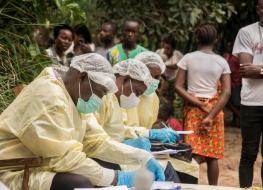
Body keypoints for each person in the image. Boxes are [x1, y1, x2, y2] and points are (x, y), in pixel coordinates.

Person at [0, 53, 164, 189]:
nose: (98, 100)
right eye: (99, 93)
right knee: (80, 183)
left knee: (87, 178)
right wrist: (116, 178)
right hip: (14, 171)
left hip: (39, 166)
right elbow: (62, 158)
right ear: (82, 77)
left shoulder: (73, 96)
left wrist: (142, 156)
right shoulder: (50, 97)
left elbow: (96, 142)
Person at [175, 24, 231, 185]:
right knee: (212, 156)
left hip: (193, 110)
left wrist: (200, 105)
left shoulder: (188, 58)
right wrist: (211, 113)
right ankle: (213, 188)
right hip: (215, 110)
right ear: (216, 40)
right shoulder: (222, 62)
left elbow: (178, 87)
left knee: (192, 154)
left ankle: (189, 186)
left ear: (197, 38)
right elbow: (226, 92)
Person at [95, 58, 180, 147]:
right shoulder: (103, 96)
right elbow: (94, 140)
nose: (136, 99)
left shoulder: (115, 100)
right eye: (136, 92)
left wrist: (148, 133)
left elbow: (117, 131)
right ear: (125, 79)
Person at [232, 0, 263, 188]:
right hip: (251, 104)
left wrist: (260, 70)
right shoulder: (246, 32)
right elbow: (246, 69)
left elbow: (254, 69)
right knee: (248, 154)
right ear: (258, 9)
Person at [224, 41, 241, 127]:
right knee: (230, 102)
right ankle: (237, 118)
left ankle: (239, 118)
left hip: (236, 83)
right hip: (230, 83)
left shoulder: (237, 57)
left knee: (235, 103)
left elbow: (237, 71)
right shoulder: (229, 56)